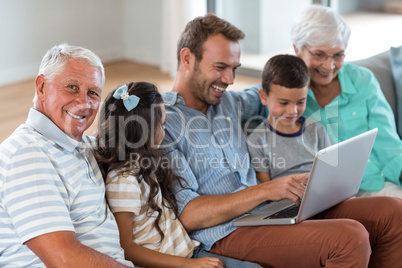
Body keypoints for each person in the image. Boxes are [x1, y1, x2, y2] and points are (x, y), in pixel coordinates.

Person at [160, 13, 402, 267]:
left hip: (271, 212)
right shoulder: (162, 122)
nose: (229, 80)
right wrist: (267, 189)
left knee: (393, 213)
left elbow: (277, 88)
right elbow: (188, 216)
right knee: (350, 239)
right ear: (187, 58)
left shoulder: (230, 102)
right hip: (226, 232)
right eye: (220, 67)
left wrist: (319, 64)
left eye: (234, 69)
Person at [94, 81, 262, 268]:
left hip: (188, 250)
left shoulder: (144, 166)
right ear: (145, 131)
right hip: (175, 260)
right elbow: (126, 248)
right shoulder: (123, 181)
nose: (165, 131)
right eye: (163, 124)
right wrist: (185, 264)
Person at [0, 44, 133, 267]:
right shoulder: (28, 155)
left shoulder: (81, 147)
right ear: (41, 87)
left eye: (93, 93)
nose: (84, 102)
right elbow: (64, 259)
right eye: (72, 87)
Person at [290, 5, 402, 197]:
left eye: (338, 55)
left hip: (377, 184)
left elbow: (388, 142)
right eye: (319, 54)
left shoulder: (362, 80)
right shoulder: (286, 95)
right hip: (326, 196)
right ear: (297, 50)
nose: (329, 65)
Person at [247, 54, 332, 183]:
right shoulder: (257, 140)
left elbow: (331, 170)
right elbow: (266, 190)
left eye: (300, 102)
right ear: (264, 97)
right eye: (283, 103)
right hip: (287, 201)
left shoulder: (316, 129)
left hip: (323, 193)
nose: (293, 111)